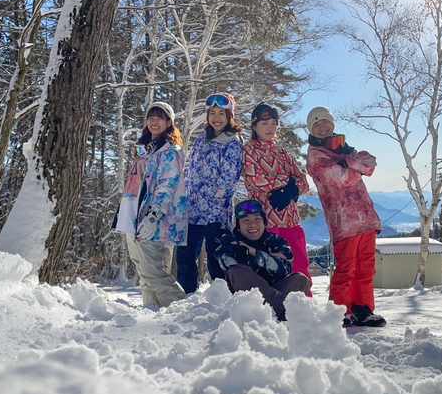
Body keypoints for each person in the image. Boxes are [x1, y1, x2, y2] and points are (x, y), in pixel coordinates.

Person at [305, 106, 386, 327]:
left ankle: (363, 309)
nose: (322, 127)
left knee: (366, 267)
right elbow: (339, 178)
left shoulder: (343, 149)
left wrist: (349, 162)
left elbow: (370, 163)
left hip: (366, 217)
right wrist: (355, 167)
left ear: (332, 123)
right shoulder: (316, 154)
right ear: (311, 129)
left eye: (325, 122)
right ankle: (340, 310)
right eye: (316, 124)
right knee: (346, 266)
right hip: (343, 220)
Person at [115, 101, 187, 308]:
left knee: (154, 273)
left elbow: (167, 184)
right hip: (133, 217)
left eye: (160, 117)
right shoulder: (145, 150)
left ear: (169, 122)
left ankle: (179, 313)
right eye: (151, 117)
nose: (154, 121)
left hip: (155, 219)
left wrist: (155, 215)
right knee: (143, 272)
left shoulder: (170, 151)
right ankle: (152, 311)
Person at [175, 93, 243, 294]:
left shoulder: (231, 141)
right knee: (185, 256)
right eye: (212, 113)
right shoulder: (201, 139)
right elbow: (192, 171)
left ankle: (221, 299)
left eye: (221, 113)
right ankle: (187, 296)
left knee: (216, 259)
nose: (216, 118)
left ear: (230, 116)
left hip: (216, 213)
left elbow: (230, 177)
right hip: (193, 210)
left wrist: (217, 202)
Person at [242, 103, 312, 292]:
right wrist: (287, 182)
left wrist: (292, 191)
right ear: (254, 126)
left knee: (300, 266)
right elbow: (255, 181)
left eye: (273, 123)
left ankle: (305, 308)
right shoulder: (248, 151)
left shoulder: (282, 153)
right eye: (265, 123)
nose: (270, 128)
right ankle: (276, 308)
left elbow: (304, 182)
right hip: (266, 220)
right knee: (273, 267)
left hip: (291, 220)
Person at [214, 199, 311, 321]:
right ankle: (283, 310)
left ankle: (276, 311)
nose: (252, 225)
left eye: (257, 219)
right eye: (246, 221)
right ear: (238, 226)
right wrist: (270, 258)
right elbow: (231, 269)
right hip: (246, 302)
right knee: (237, 272)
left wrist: (253, 252)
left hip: (277, 288)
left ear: (264, 222)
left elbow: (284, 269)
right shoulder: (228, 244)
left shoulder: (276, 240)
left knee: (301, 279)